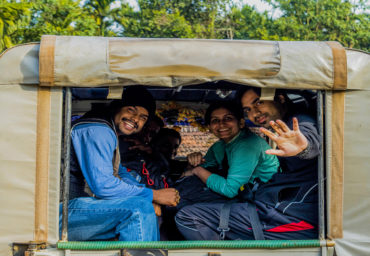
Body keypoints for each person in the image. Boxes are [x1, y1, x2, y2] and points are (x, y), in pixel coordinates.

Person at [176, 87, 320, 240]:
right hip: (269, 199)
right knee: (184, 199)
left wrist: (303, 148)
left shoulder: (298, 121)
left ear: (281, 98)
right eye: (248, 109)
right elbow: (206, 166)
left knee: (186, 215)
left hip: (287, 214)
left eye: (258, 102)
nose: (254, 113)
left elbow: (308, 139)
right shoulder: (221, 146)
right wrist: (194, 165)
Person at [62, 85, 179, 241]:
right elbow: (104, 186)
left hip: (74, 208)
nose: (136, 119)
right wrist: (154, 195)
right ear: (117, 107)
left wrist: (149, 196)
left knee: (141, 204)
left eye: (143, 117)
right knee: (139, 209)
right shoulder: (97, 129)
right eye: (131, 110)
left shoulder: (106, 128)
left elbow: (120, 171)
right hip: (61, 213)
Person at [175, 101, 279, 239]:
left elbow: (230, 190)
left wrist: (197, 171)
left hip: (261, 202)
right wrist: (193, 162)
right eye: (215, 120)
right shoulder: (219, 146)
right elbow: (203, 167)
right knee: (178, 199)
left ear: (241, 123)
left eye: (228, 119)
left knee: (184, 209)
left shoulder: (247, 145)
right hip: (241, 195)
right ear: (210, 126)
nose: (221, 124)